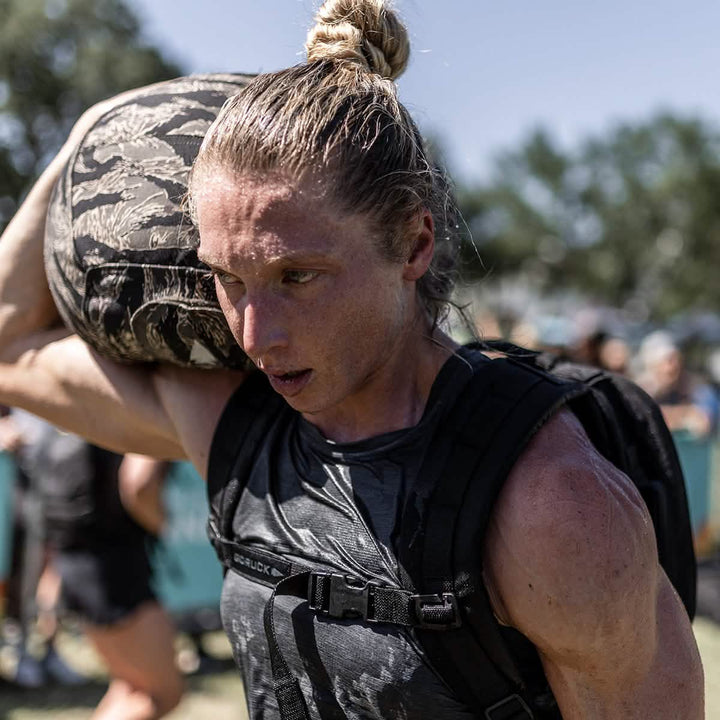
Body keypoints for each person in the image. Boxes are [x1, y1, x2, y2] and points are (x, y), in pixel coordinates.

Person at [0, 0, 705, 718]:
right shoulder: (243, 433)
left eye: (296, 277)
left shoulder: (549, 506)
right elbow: (7, 343)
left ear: (414, 244)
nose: (255, 334)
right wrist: (88, 135)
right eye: (229, 279)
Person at [0, 411, 183, 719]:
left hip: (79, 560)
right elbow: (140, 485)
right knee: (162, 694)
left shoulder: (86, 399)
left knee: (130, 687)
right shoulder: (145, 395)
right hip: (114, 565)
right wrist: (160, 524)